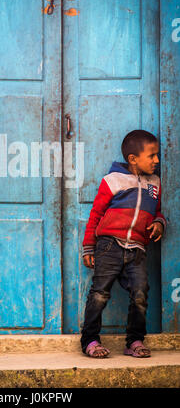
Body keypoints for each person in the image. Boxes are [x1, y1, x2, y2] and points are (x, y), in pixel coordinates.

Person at [81, 130, 166, 358]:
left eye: (157, 155)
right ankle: (90, 340)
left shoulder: (155, 183)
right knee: (99, 294)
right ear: (133, 159)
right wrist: (89, 246)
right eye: (152, 156)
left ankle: (134, 340)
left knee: (140, 294)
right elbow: (96, 214)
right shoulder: (113, 180)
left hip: (137, 249)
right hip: (109, 245)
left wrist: (159, 222)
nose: (157, 160)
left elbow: (156, 212)